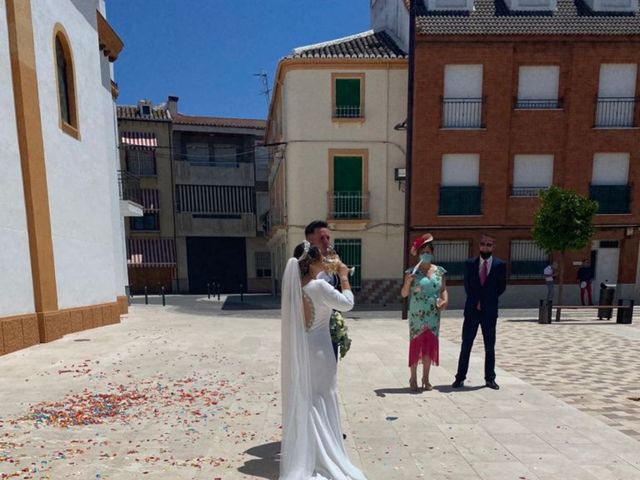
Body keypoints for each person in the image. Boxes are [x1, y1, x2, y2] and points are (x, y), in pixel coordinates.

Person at [279, 241, 367, 480]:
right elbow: (347, 304)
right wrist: (345, 277)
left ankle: (311, 454)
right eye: (321, 257)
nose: (325, 260)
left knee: (309, 399)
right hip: (320, 349)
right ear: (312, 262)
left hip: (303, 348)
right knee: (325, 397)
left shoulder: (296, 287)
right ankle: (327, 455)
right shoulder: (318, 286)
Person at [452, 234, 506, 390]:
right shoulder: (470, 264)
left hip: (489, 312)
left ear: (493, 246)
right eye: (483, 244)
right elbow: (467, 286)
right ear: (479, 246)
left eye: (489, 244)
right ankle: (460, 377)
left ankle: (490, 379)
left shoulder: (500, 265)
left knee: (489, 346)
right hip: (472, 311)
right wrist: (476, 300)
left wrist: (487, 300)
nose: (485, 247)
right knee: (466, 344)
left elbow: (501, 288)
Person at [401, 233, 448, 392]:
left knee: (429, 344)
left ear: (432, 252)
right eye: (423, 252)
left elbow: (443, 290)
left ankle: (426, 378)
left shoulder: (439, 271)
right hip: (417, 313)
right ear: (418, 254)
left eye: (428, 251)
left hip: (433, 312)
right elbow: (404, 294)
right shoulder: (411, 272)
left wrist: (444, 300)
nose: (426, 254)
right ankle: (413, 377)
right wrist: (407, 282)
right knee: (416, 343)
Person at [305, 220, 340, 359]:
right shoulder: (303, 269)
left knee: (331, 369)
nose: (326, 242)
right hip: (313, 333)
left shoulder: (332, 263)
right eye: (321, 238)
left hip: (331, 329)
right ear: (310, 241)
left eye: (328, 238)